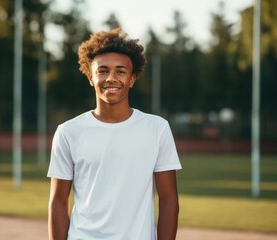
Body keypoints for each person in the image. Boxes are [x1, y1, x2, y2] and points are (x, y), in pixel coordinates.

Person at [47, 28, 182, 240]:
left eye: (120, 71)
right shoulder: (68, 132)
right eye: (102, 71)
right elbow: (58, 201)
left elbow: (168, 200)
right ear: (90, 77)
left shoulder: (157, 129)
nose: (111, 78)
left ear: (132, 78)